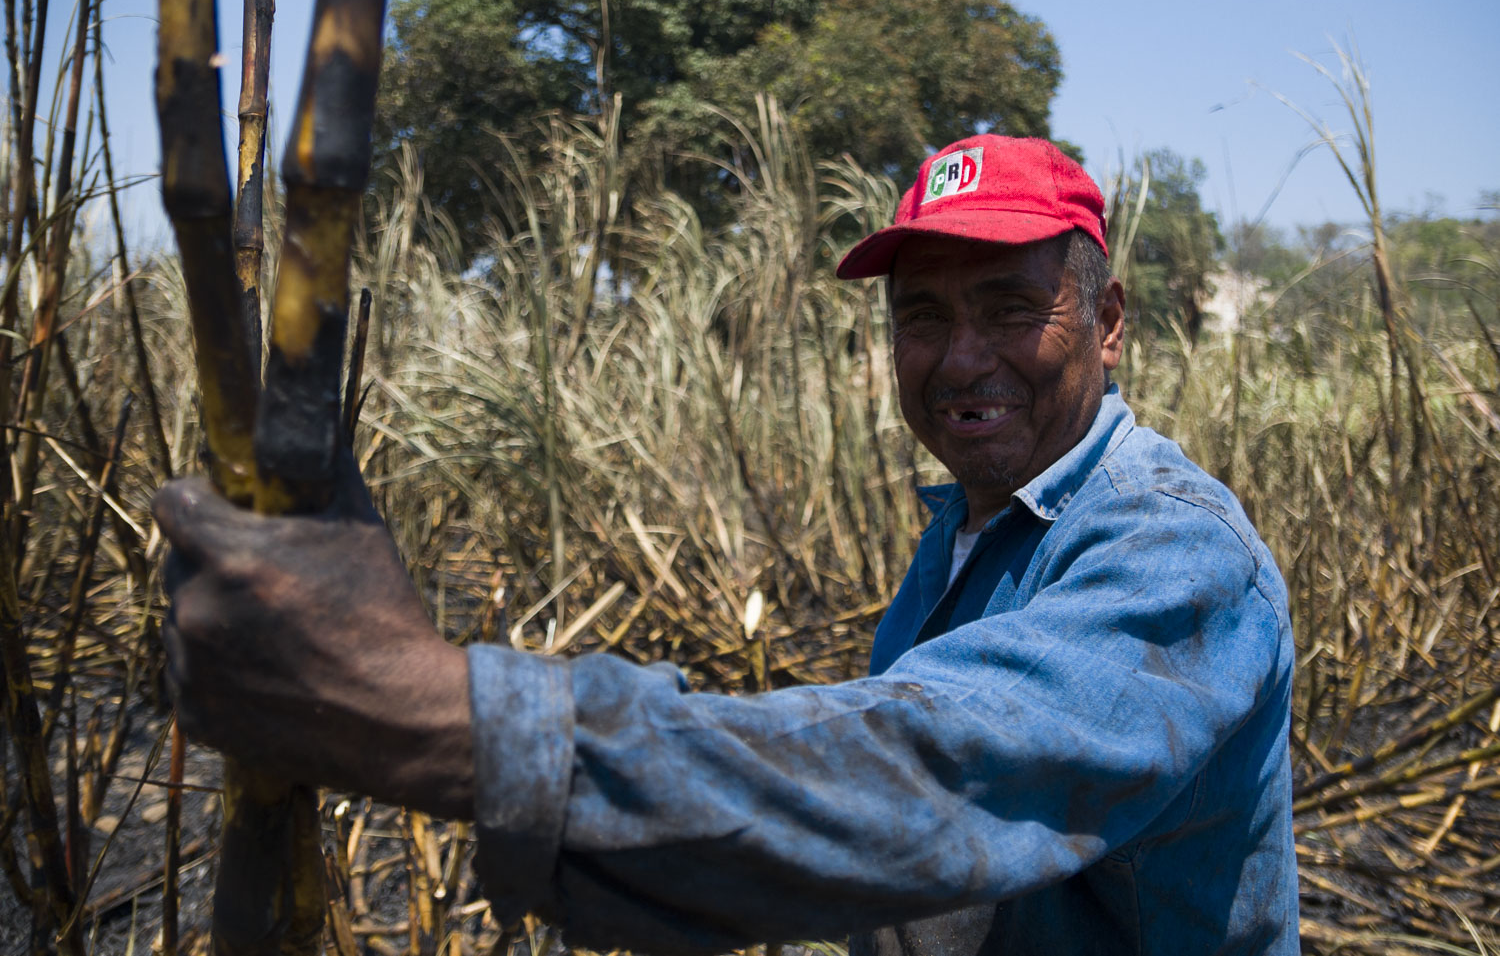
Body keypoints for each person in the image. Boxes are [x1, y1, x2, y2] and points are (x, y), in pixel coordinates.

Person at [154, 134, 1298, 955]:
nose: (959, 359)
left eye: (1010, 307)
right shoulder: (972, 521)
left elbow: (932, 777)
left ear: (1105, 322)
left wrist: (420, 710)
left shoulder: (1175, 555)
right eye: (921, 316)